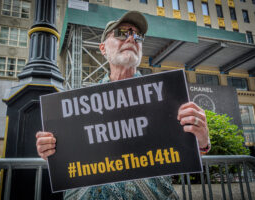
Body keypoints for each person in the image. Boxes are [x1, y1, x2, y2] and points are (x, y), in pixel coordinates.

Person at [36, 11, 210, 199]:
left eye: (137, 36)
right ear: (102, 48)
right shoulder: (74, 108)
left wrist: (202, 141)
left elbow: (186, 156)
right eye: (121, 33)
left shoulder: (167, 99)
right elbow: (66, 162)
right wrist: (52, 153)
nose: (131, 39)